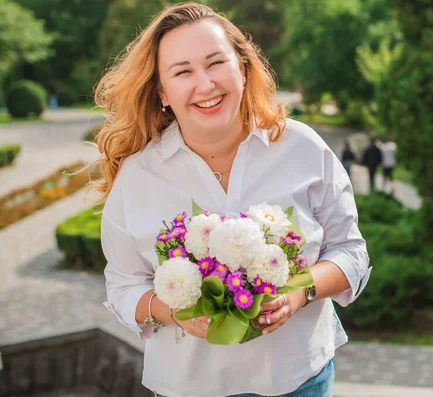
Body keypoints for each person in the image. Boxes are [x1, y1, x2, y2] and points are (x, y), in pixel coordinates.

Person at [91, 3, 370, 397]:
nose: (205, 84)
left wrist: (299, 293)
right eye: (183, 71)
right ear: (163, 93)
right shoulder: (138, 177)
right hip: (188, 388)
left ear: (242, 68)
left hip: (299, 380)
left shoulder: (302, 147)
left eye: (215, 63)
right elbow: (122, 286)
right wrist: (174, 313)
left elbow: (351, 252)